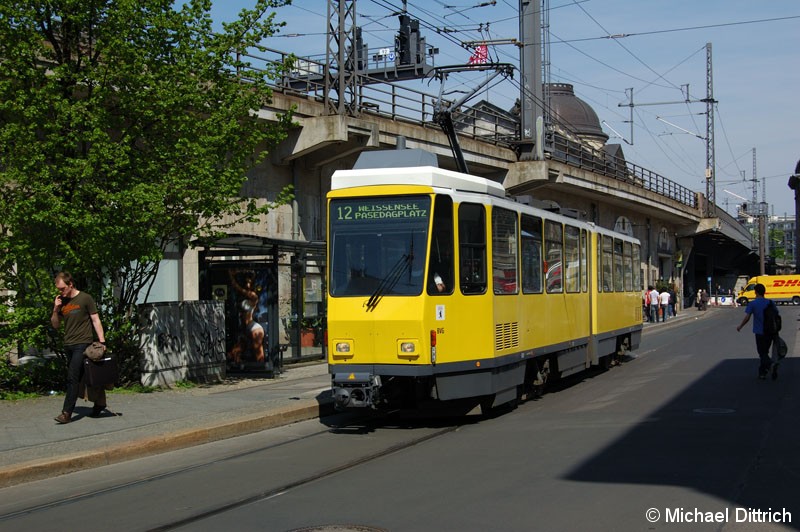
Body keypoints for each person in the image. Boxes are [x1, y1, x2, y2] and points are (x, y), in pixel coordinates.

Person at [51, 271, 108, 424]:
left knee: (72, 378)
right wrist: (55, 310)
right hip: (68, 344)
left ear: (70, 284)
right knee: (85, 377)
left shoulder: (85, 298)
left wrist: (102, 342)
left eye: (62, 288)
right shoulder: (61, 302)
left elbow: (95, 320)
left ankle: (66, 413)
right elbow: (55, 325)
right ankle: (100, 403)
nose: (60, 292)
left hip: (83, 343)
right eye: (59, 289)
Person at [736, 283, 780, 380]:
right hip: (771, 332)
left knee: (762, 353)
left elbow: (747, 317)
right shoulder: (770, 302)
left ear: (756, 292)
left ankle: (770, 365)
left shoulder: (753, 303)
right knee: (765, 352)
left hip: (760, 332)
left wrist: (740, 326)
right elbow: (776, 314)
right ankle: (762, 373)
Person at [227, 270, 265, 367]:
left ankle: (261, 368)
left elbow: (237, 287)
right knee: (236, 351)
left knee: (258, 351)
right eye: (246, 282)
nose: (248, 285)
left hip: (253, 328)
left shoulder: (253, 296)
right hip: (245, 328)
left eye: (250, 283)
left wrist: (232, 277)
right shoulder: (242, 297)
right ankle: (238, 367)